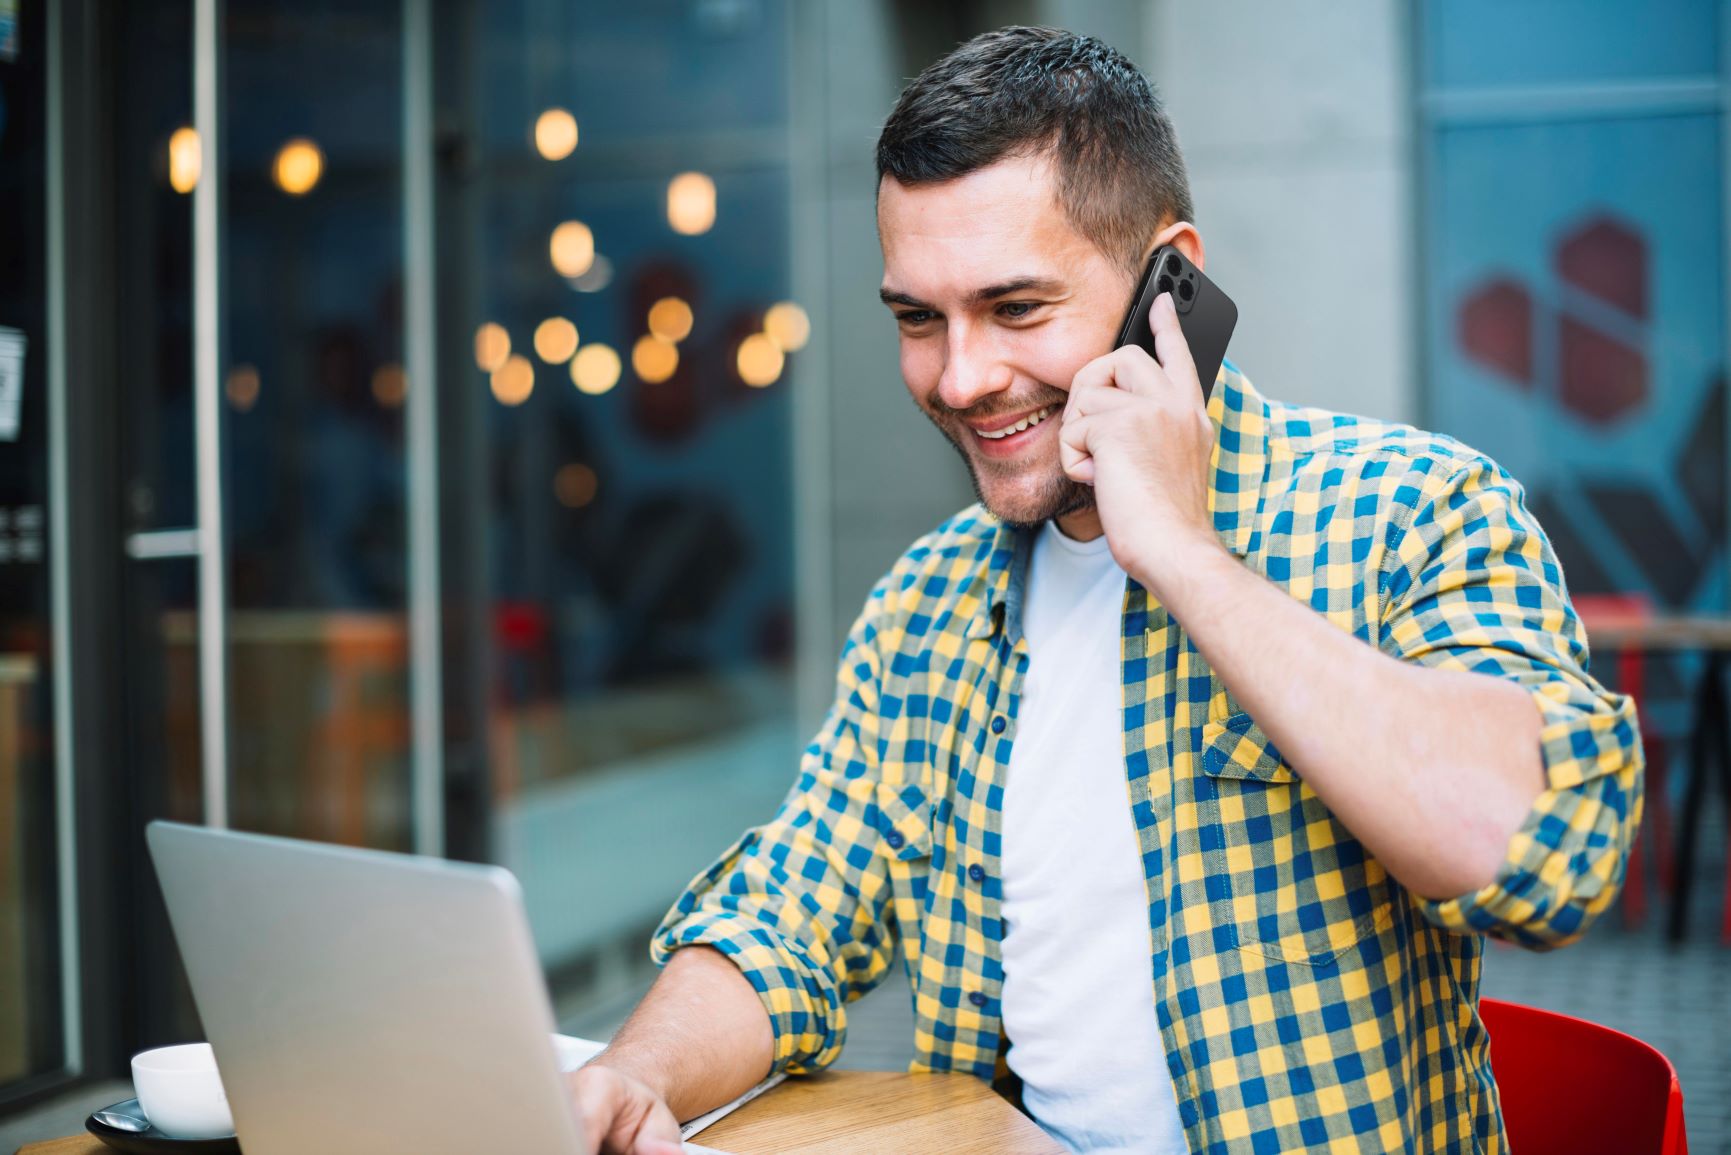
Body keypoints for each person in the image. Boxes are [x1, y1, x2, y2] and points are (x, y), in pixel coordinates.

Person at [568, 27, 1642, 1155]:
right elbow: (793, 902)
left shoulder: (1411, 510)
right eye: (918, 318)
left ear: (1168, 282)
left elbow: (1542, 855)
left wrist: (1179, 552)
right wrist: (635, 1075)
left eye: (1017, 308)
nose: (964, 377)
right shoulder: (927, 604)